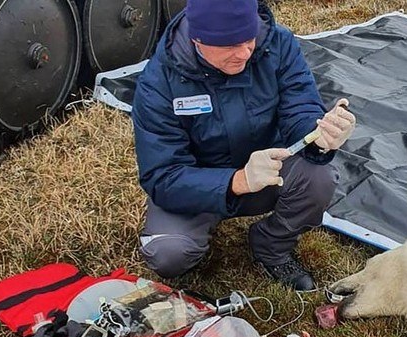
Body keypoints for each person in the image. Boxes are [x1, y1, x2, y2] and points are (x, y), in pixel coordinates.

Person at [131, 0, 356, 290]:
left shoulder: (277, 44)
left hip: (268, 169)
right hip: (197, 185)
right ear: (197, 39)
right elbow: (162, 176)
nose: (244, 53)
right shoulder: (158, 82)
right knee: (168, 254)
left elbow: (299, 105)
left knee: (320, 178)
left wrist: (320, 136)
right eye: (229, 46)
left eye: (248, 39)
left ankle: (271, 245)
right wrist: (236, 181)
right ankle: (197, 226)